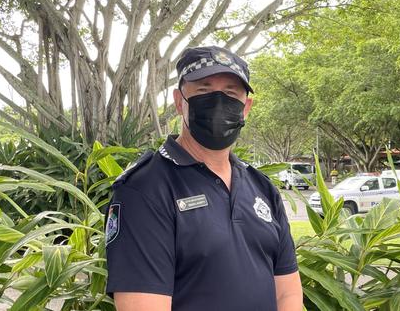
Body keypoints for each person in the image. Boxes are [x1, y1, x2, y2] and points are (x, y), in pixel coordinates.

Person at [105, 46, 303, 311]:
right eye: (203, 91)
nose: (218, 102)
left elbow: (287, 293)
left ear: (246, 108)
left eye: (231, 93)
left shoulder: (261, 187)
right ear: (179, 102)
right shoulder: (145, 190)